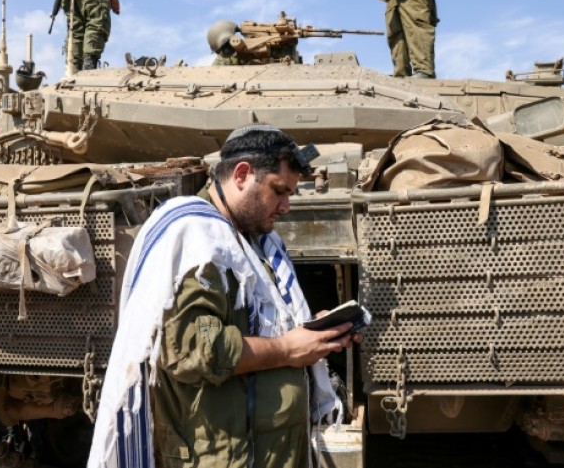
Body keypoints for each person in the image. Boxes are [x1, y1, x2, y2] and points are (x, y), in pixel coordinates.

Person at [87, 124, 361, 468]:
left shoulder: (250, 239)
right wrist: (288, 349)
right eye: (279, 191)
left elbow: (257, 319)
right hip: (223, 456)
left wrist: (312, 331)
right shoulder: (198, 240)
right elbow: (192, 350)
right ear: (242, 175)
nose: (286, 206)